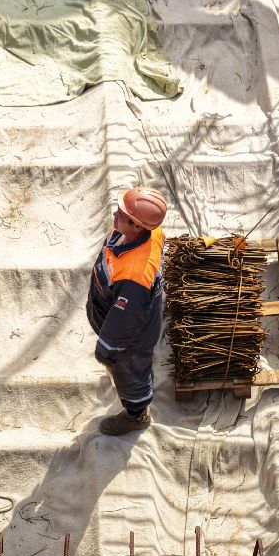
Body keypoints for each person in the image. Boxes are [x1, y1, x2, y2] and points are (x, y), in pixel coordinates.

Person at [87, 187, 168, 436]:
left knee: (130, 372)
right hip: (118, 313)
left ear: (136, 226)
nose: (114, 214)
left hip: (129, 337)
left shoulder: (134, 277)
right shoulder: (144, 233)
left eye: (121, 214)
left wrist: (108, 349)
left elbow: (125, 319)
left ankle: (136, 414)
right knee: (126, 365)